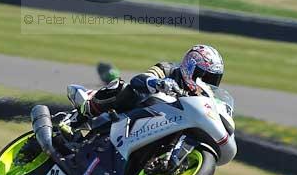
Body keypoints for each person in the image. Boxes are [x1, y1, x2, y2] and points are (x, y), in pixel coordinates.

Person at [67, 44, 224, 120]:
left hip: (164, 123)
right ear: (190, 67)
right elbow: (138, 80)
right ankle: (85, 112)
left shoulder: (202, 96)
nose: (207, 82)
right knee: (122, 87)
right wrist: (158, 84)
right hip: (135, 110)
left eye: (213, 79)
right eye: (205, 76)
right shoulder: (168, 69)